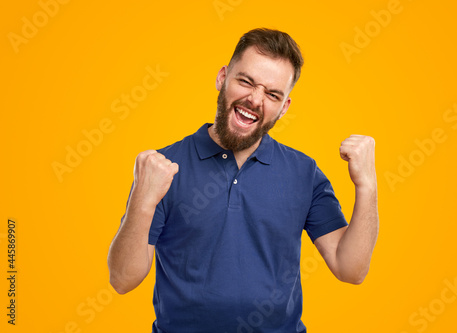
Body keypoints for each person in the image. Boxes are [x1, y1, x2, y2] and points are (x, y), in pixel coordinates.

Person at [108, 28, 379, 333]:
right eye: (246, 81)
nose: (255, 99)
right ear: (222, 78)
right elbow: (122, 279)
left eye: (272, 94)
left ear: (284, 107)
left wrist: (367, 186)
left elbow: (351, 269)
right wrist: (142, 202)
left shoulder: (304, 172)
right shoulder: (163, 167)